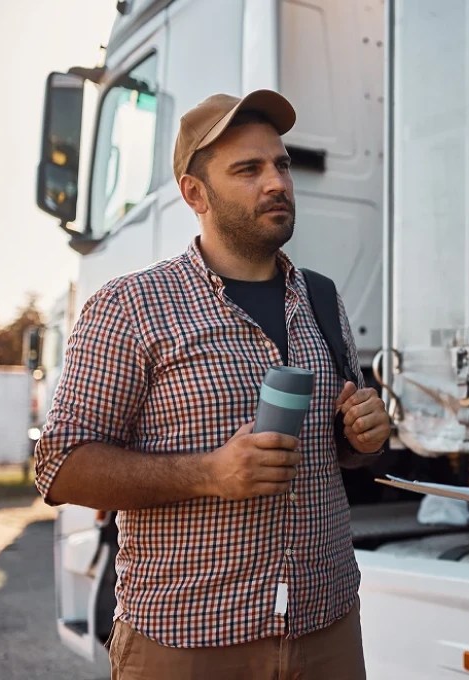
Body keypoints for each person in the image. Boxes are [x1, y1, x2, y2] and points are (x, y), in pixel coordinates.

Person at [34, 89, 389, 680]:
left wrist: (364, 435)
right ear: (195, 193)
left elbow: (345, 451)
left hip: (324, 630)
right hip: (189, 642)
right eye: (248, 170)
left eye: (281, 164)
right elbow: (59, 465)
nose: (276, 182)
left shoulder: (321, 297)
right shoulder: (130, 305)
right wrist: (209, 474)